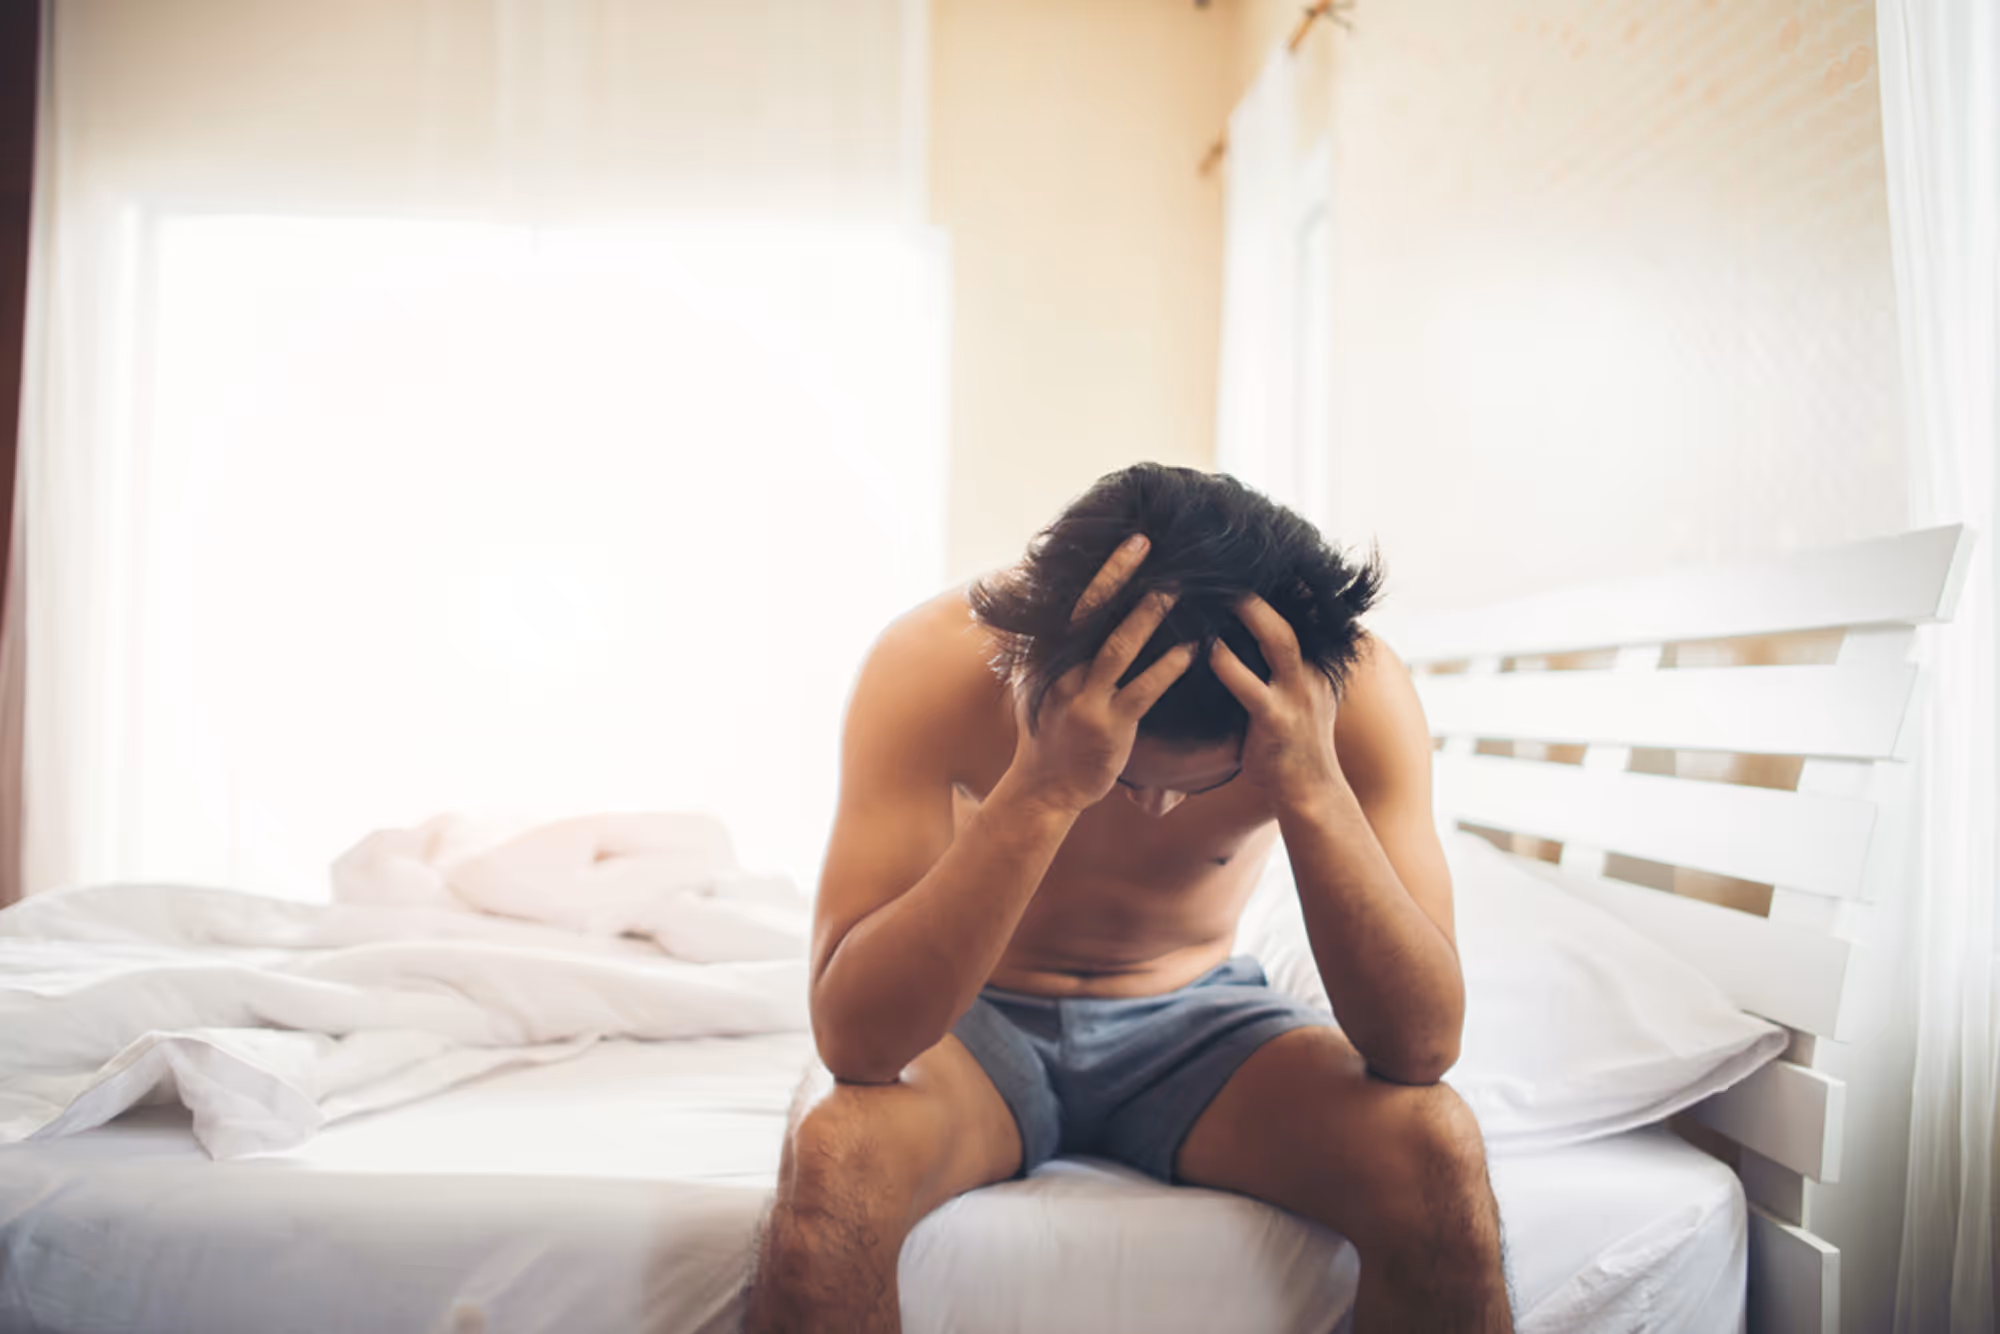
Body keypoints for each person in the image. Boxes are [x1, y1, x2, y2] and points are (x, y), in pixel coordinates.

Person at [742, 464, 1512, 1333]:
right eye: (1129, 780)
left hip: (1197, 1028)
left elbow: (1420, 1048)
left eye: (1200, 787)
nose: (1154, 809)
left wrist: (1310, 786)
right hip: (967, 1027)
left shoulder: (1343, 695)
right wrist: (1045, 788)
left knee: (1438, 1148)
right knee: (835, 1156)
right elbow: (859, 1043)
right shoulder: (928, 661)